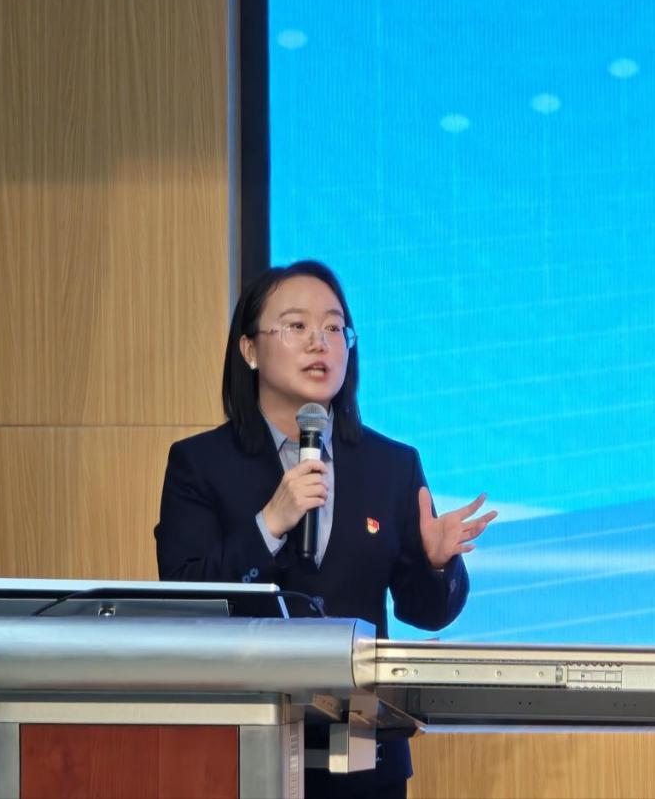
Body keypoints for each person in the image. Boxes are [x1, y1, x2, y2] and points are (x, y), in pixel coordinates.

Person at [155, 260, 496, 798]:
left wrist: (436, 564)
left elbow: (424, 611)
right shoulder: (200, 464)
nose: (320, 342)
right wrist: (270, 523)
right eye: (297, 326)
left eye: (334, 328)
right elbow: (184, 598)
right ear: (249, 349)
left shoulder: (392, 465)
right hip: (236, 757)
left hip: (363, 762)